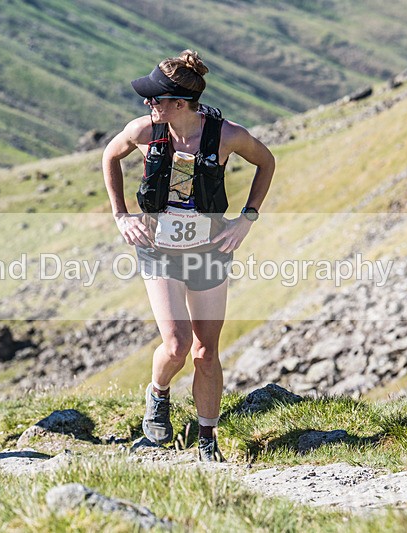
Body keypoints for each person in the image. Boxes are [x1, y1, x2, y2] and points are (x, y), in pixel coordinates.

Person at [102, 50, 275, 461]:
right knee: (177, 345)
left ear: (180, 104)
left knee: (206, 352)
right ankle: (158, 393)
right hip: (158, 250)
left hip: (209, 251)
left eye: (155, 98)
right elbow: (110, 156)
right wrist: (121, 216)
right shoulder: (144, 131)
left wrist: (246, 218)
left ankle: (207, 438)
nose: (148, 103)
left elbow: (266, 162)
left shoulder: (227, 135)